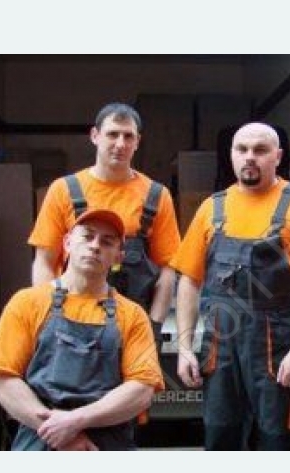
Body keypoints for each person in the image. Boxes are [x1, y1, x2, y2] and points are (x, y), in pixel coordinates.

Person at [171, 122, 290, 450]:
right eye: (241, 149)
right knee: (221, 438)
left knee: (279, 440)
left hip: (277, 353)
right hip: (221, 352)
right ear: (231, 155)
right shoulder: (211, 208)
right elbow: (189, 280)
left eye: (260, 150)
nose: (249, 157)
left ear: (278, 156)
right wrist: (185, 347)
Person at [0, 209, 164, 450]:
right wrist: (59, 433)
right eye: (87, 236)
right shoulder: (27, 303)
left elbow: (141, 390)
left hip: (107, 442)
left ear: (119, 257)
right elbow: (3, 381)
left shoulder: (133, 315)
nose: (95, 246)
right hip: (40, 436)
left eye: (107, 242)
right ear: (67, 243)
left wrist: (75, 421)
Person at [28, 102, 181, 351]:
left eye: (128, 136)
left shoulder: (156, 196)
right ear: (95, 136)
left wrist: (153, 327)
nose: (120, 143)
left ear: (138, 142)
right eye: (112, 134)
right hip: (70, 328)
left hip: (133, 328)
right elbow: (44, 261)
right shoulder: (63, 190)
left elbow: (168, 270)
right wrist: (47, 319)